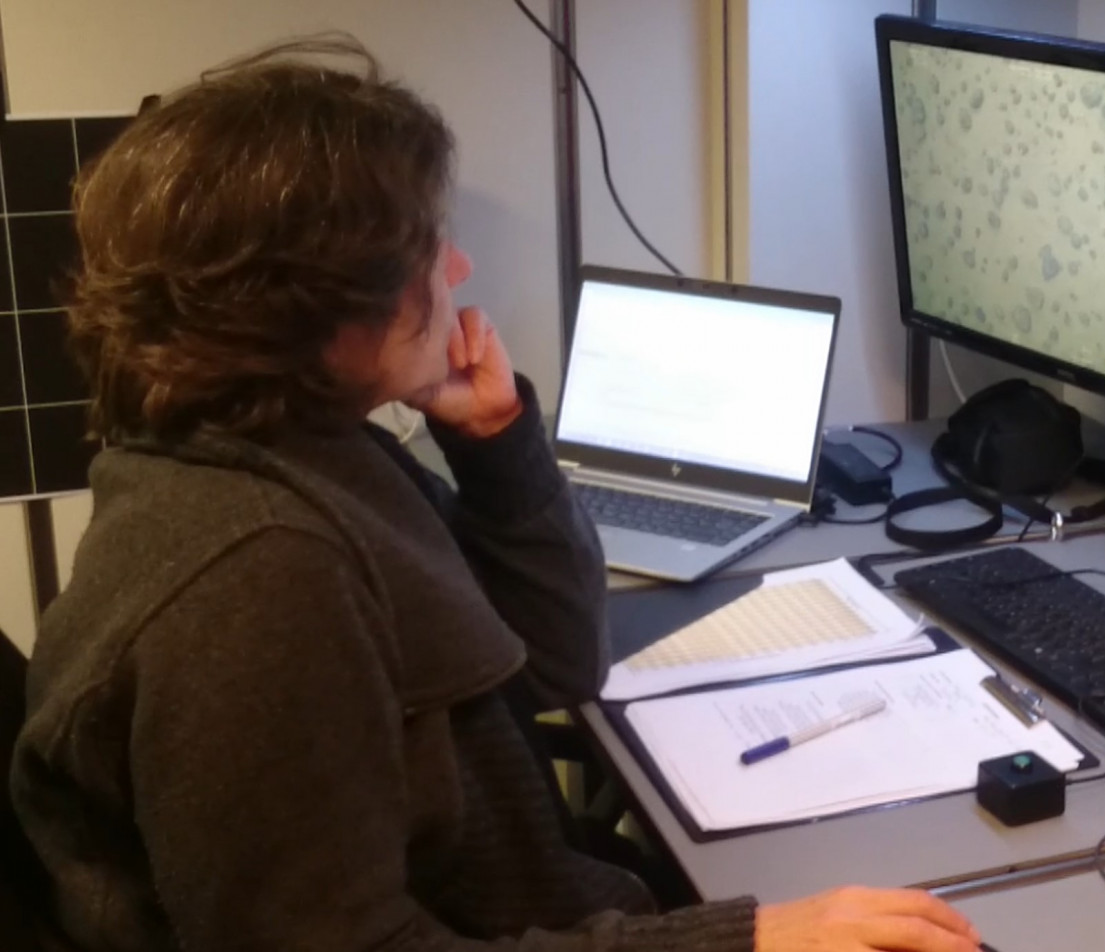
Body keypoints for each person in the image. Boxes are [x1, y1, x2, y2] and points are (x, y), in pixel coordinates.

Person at [10, 37, 981, 952]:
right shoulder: (255, 577)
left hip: (549, 902)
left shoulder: (297, 453)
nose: (460, 269)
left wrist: (494, 437)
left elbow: (558, 659)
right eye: (435, 245)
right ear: (326, 305)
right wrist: (744, 937)